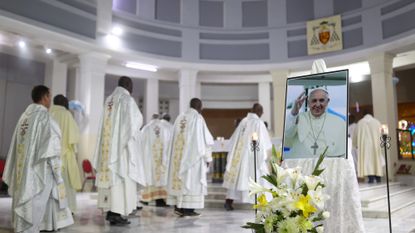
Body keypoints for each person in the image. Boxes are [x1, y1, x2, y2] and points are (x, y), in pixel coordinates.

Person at [3, 85, 73, 232]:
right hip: (39, 172)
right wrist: (57, 172)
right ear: (45, 97)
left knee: (27, 203)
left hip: (22, 171)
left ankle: (30, 227)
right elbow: (52, 149)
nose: (50, 101)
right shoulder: (44, 117)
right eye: (49, 96)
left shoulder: (24, 117)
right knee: (36, 205)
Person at [93, 76, 146, 225]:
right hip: (121, 150)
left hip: (107, 150)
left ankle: (111, 211)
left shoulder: (109, 100)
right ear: (128, 85)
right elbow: (135, 121)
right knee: (121, 180)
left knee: (112, 179)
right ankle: (116, 212)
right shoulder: (127, 100)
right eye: (132, 86)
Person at [166, 98, 214, 217]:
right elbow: (204, 140)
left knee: (181, 180)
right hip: (192, 159)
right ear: (199, 107)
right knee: (190, 181)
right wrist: (208, 158)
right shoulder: (197, 118)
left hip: (178, 158)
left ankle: (179, 207)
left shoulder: (179, 118)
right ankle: (188, 209)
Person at [222, 103, 272, 211]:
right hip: (252, 154)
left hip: (239, 154)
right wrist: (261, 154)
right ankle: (262, 202)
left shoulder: (243, 121)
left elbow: (234, 139)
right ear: (260, 112)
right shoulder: (259, 123)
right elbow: (263, 142)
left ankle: (228, 201)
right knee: (257, 175)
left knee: (237, 178)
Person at [284, 88, 346, 158]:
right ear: (308, 102)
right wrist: (294, 112)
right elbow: (288, 134)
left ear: (327, 101)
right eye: (314, 101)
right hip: (302, 164)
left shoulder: (339, 122)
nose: (317, 104)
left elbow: (342, 153)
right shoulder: (298, 118)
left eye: (321, 100)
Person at [50, 94, 82, 214]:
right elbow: (74, 137)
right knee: (67, 186)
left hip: (51, 157)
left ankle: (53, 211)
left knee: (52, 185)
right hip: (65, 157)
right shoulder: (67, 115)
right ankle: (68, 209)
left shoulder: (49, 114)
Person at [140, 113, 171, 207]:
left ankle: (146, 199)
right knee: (161, 178)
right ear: (159, 118)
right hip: (162, 159)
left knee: (150, 177)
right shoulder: (165, 128)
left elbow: (141, 144)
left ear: (151, 118)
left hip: (149, 159)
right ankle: (160, 200)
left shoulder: (146, 128)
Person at [352, 113, 384, 183]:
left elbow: (355, 135)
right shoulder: (377, 122)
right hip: (375, 146)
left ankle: (371, 178)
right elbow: (382, 135)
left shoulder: (360, 123)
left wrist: (355, 144)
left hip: (364, 146)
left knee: (367, 162)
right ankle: (378, 177)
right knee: (375, 162)